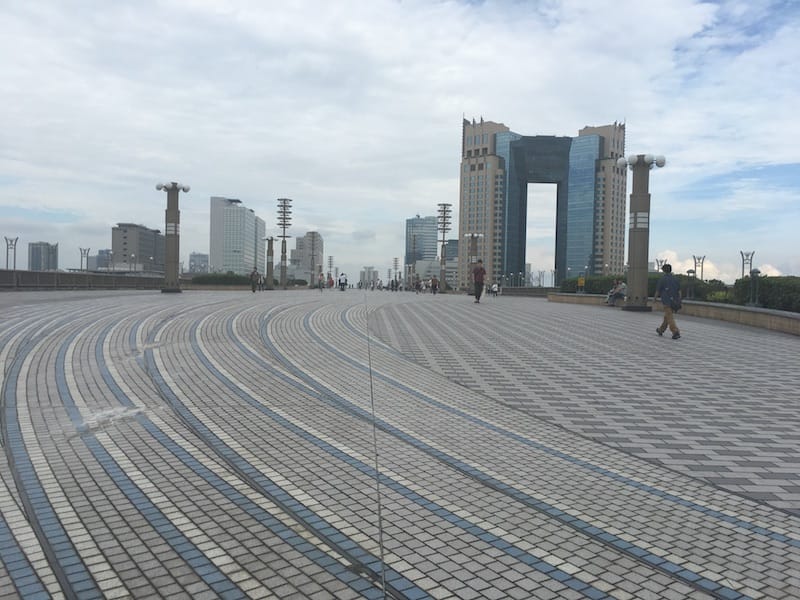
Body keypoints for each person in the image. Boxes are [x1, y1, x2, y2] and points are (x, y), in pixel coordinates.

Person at [654, 264, 681, 339]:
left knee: (669, 317)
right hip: (675, 300)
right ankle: (661, 330)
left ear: (663, 270)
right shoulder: (675, 279)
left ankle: (675, 331)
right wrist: (679, 300)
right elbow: (679, 291)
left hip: (666, 300)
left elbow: (658, 290)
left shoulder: (662, 279)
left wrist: (655, 299)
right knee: (667, 316)